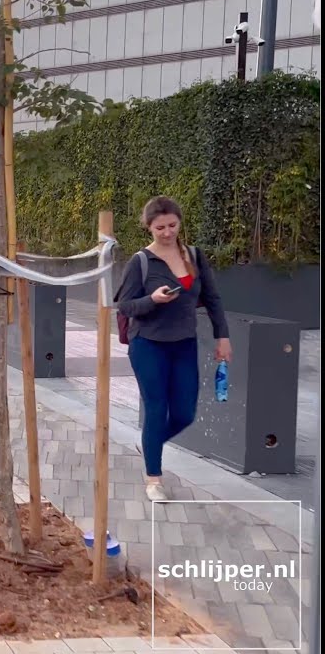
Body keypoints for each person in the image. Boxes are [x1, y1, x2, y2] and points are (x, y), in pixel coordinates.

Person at [115, 195, 231, 502]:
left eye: (172, 225)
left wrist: (223, 337)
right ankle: (154, 479)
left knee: (184, 413)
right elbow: (125, 305)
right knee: (156, 409)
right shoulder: (141, 261)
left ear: (179, 223)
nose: (167, 233)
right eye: (159, 227)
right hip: (148, 344)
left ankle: (149, 442)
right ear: (149, 227)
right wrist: (152, 299)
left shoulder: (194, 255)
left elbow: (214, 299)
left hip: (184, 342)